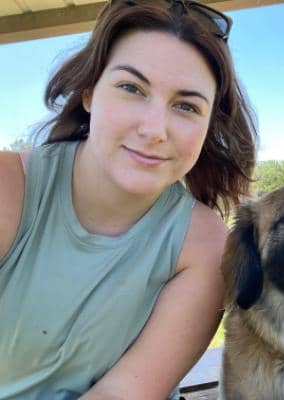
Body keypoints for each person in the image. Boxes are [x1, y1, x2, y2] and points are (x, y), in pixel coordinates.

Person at [0, 0, 257, 399]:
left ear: (209, 125)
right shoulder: (10, 187)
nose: (154, 130)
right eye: (131, 88)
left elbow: (121, 394)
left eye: (186, 106)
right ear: (89, 93)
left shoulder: (205, 246)